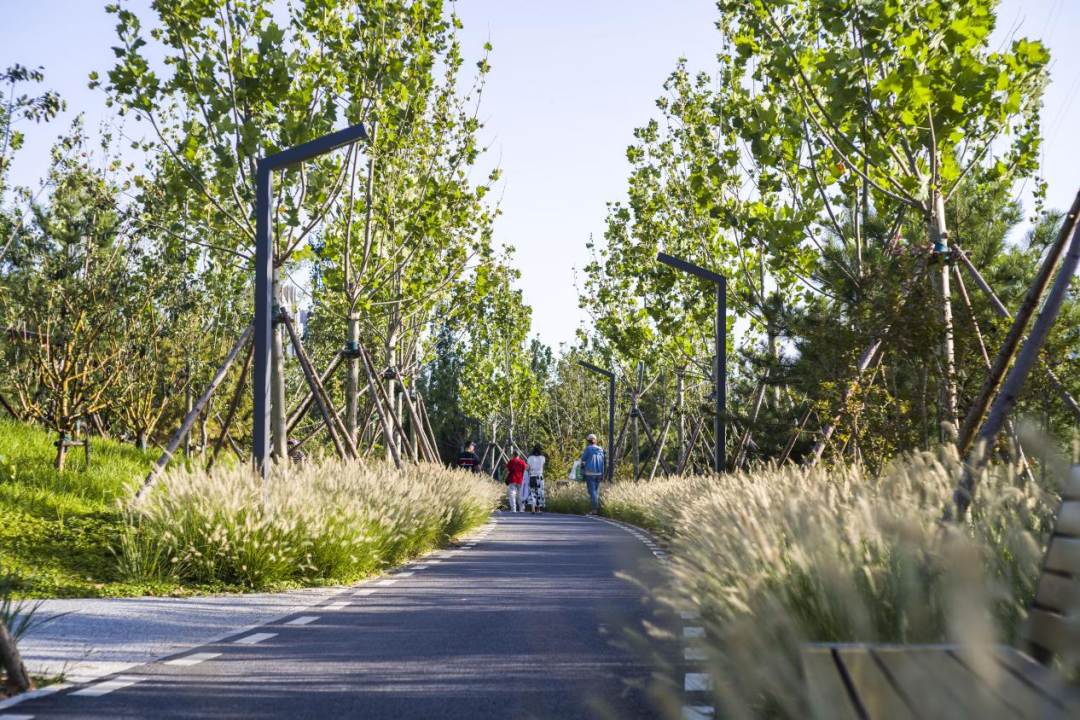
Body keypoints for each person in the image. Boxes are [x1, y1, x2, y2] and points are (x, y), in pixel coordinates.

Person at [580, 433, 605, 516]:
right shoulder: (600, 449)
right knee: (596, 491)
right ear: (596, 441)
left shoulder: (588, 449)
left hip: (590, 472)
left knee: (592, 492)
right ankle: (595, 509)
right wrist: (602, 475)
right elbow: (603, 463)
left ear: (588, 441)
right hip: (599, 473)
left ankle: (594, 511)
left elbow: (583, 459)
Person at [525, 444, 546, 514]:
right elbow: (542, 467)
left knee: (532, 493)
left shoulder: (530, 458)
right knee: (540, 493)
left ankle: (533, 509)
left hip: (532, 477)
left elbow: (527, 468)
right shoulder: (543, 458)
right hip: (540, 477)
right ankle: (538, 509)